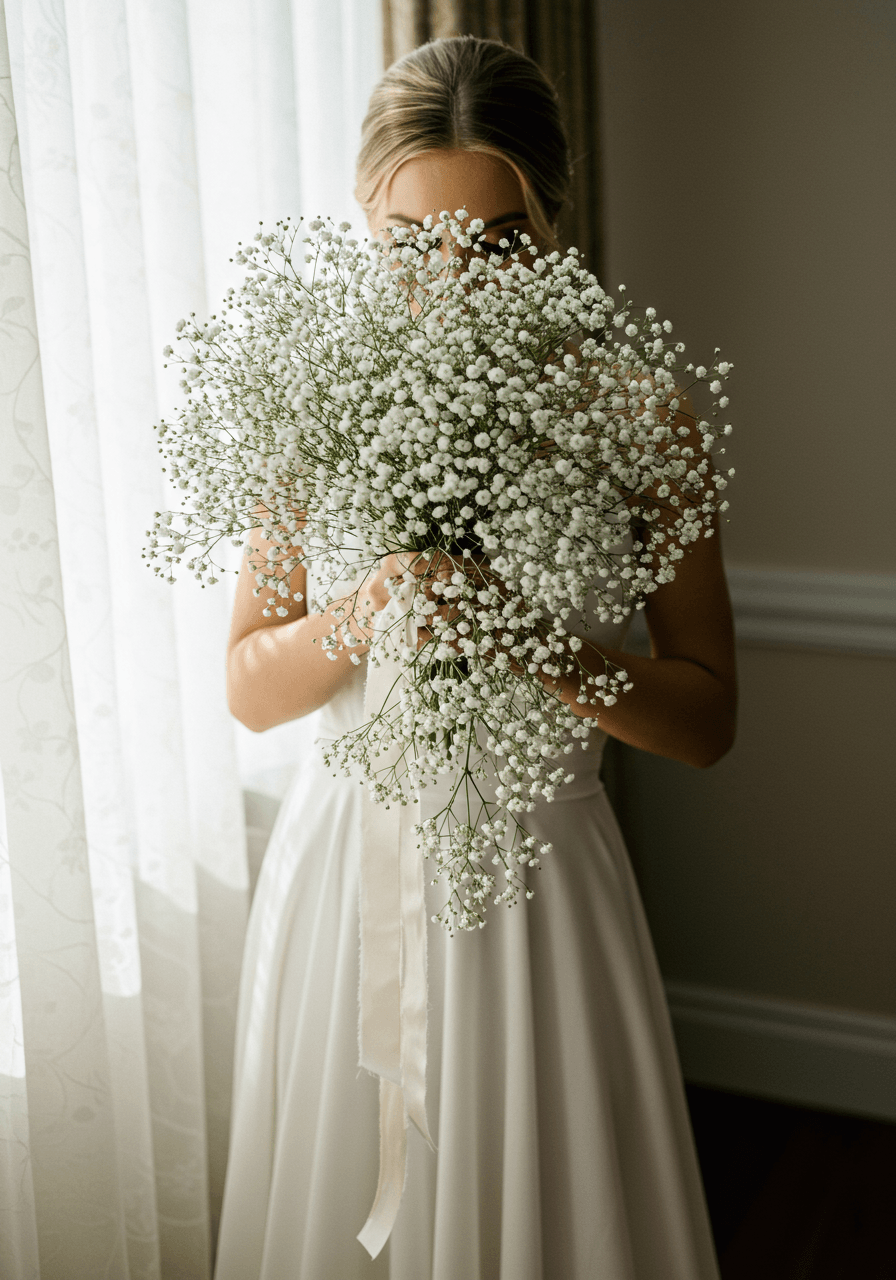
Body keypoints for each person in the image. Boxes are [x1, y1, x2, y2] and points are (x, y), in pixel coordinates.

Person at [214, 34, 736, 1280]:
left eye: (495, 243)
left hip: (537, 898)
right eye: (411, 249)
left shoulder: (637, 415)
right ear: (365, 218)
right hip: (346, 885)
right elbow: (244, 687)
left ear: (550, 219)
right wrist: (365, 608)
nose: (452, 286)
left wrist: (538, 645)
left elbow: (705, 717)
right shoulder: (312, 403)